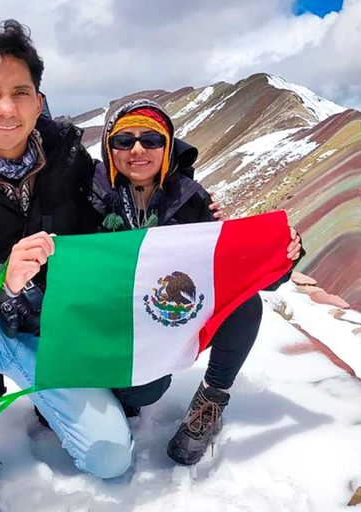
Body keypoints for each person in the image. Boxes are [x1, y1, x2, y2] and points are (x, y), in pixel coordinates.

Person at [0, 21, 216, 512]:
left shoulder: (67, 162)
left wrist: (190, 214)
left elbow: (117, 208)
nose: (7, 109)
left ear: (39, 101)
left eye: (21, 92)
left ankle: (48, 398)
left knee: (110, 460)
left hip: (50, 332)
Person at [92, 98, 304, 466]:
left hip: (164, 315)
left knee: (244, 304)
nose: (137, 149)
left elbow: (227, 267)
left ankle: (210, 401)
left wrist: (283, 254)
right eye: (124, 141)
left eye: (151, 140)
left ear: (168, 146)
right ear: (110, 149)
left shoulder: (191, 199)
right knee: (140, 392)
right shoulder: (88, 196)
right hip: (110, 324)